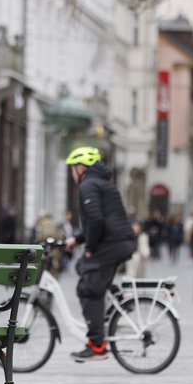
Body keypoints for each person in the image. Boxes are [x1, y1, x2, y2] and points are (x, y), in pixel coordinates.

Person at [64, 146, 136, 362]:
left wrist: (90, 249)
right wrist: (75, 240)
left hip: (111, 244)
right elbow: (97, 221)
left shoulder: (88, 185)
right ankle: (119, 298)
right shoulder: (101, 182)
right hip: (119, 242)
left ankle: (97, 345)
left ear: (81, 167)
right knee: (83, 270)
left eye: (72, 168)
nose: (72, 173)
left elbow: (95, 220)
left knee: (88, 288)